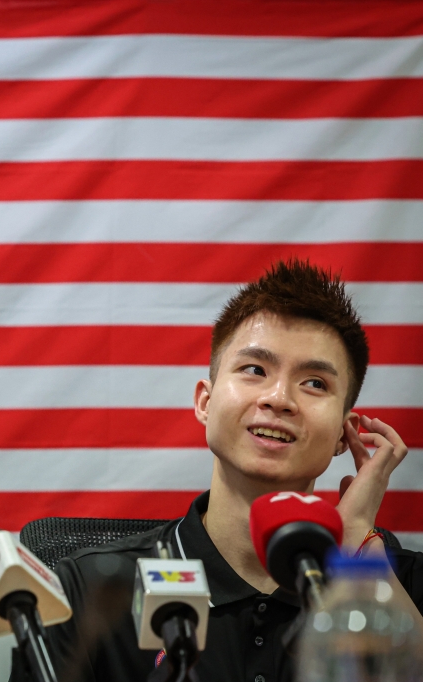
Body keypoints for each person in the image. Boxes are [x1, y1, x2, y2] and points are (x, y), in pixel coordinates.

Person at [47, 259, 423, 682]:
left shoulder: (403, 586)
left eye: (315, 382)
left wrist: (354, 537)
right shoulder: (91, 589)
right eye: (255, 370)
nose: (279, 398)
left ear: (344, 433)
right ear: (205, 404)